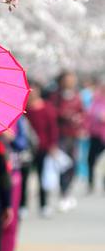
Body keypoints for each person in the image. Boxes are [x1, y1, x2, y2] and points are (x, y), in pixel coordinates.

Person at [49, 71, 88, 211]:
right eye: (68, 79)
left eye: (72, 79)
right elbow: (52, 112)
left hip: (74, 135)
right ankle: (63, 192)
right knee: (63, 164)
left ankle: (67, 190)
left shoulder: (77, 96)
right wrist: (65, 115)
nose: (70, 82)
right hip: (61, 135)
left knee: (74, 164)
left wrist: (80, 121)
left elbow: (83, 113)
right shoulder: (56, 96)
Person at [0, 117, 29, 251]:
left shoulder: (18, 119)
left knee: (11, 222)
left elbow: (23, 144)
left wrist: (13, 138)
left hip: (13, 175)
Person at [25, 82, 58, 217]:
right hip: (27, 149)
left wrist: (52, 145)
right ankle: (23, 205)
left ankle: (44, 204)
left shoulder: (47, 108)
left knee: (42, 176)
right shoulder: (25, 109)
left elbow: (53, 128)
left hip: (43, 147)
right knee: (25, 177)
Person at [87, 77, 105, 193]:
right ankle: (90, 182)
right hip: (94, 134)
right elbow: (89, 114)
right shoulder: (96, 99)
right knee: (91, 159)